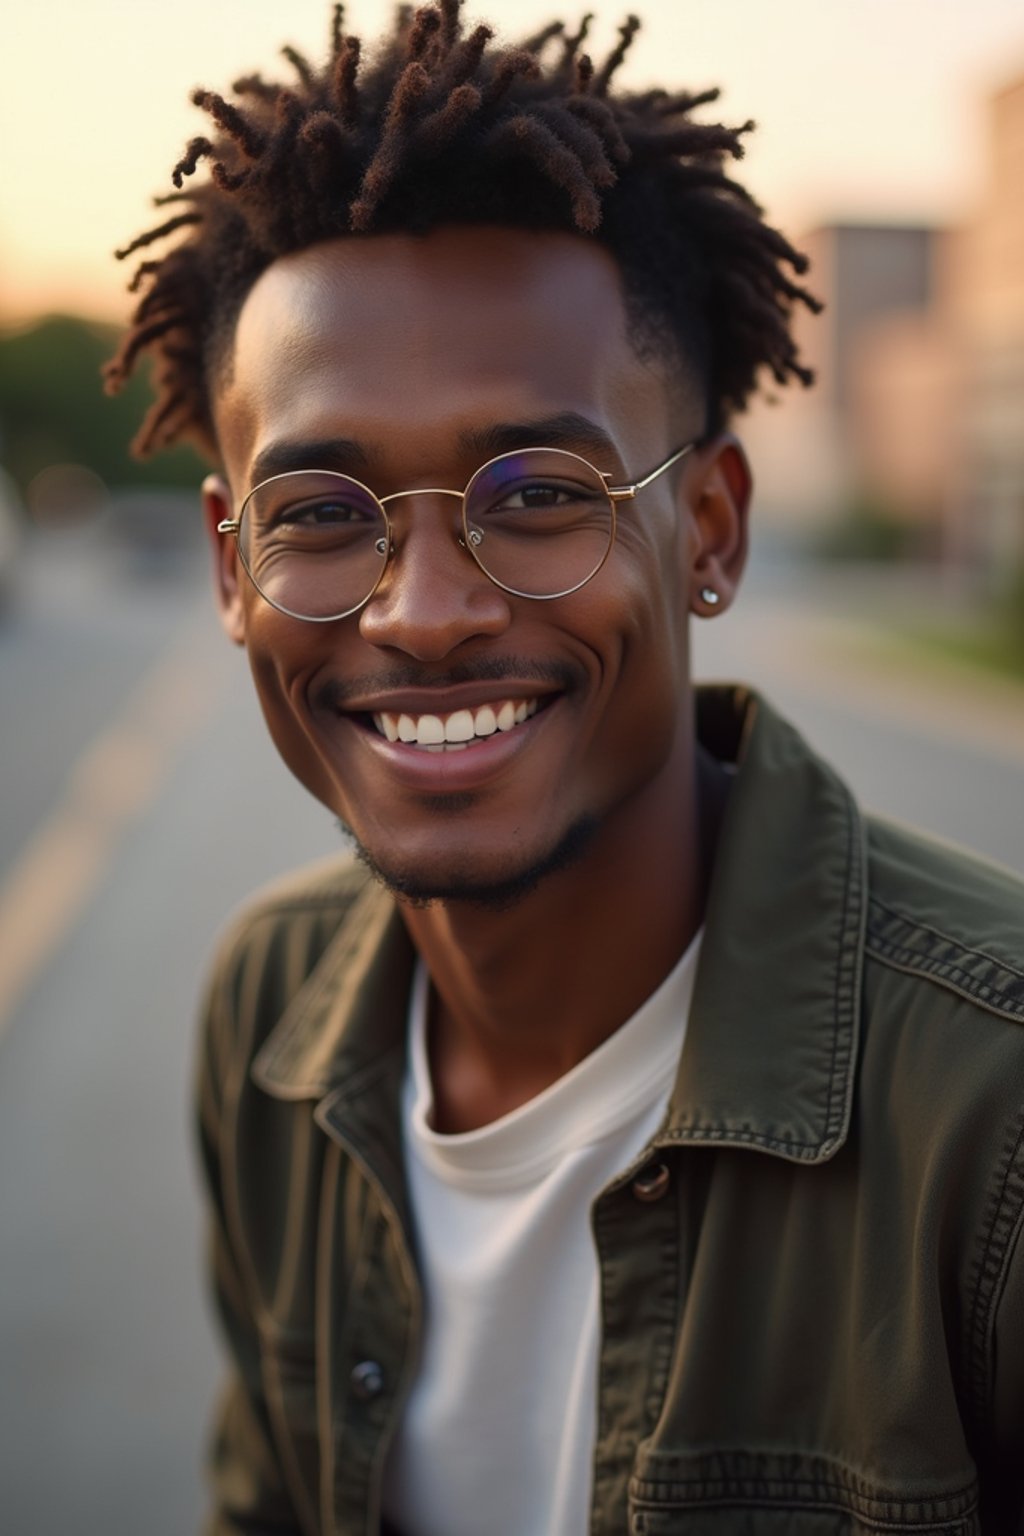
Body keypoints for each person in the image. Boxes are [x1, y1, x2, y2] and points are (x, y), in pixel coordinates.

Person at [106, 4, 1024, 1532]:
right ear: (230, 567)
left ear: (710, 528)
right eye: (322, 512)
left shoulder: (993, 1118)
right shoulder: (265, 1018)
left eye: (537, 493)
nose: (426, 612)